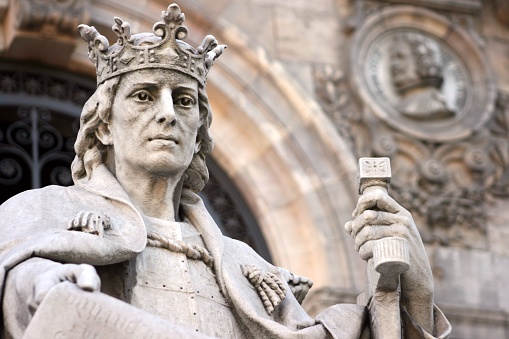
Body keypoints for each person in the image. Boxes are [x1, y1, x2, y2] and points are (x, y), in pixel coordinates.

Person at [0, 4, 451, 338]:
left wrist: (411, 293)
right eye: (143, 96)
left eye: (183, 101)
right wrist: (42, 281)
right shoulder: (44, 210)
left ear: (199, 133)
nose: (167, 115)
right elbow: (18, 281)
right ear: (103, 128)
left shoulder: (246, 266)